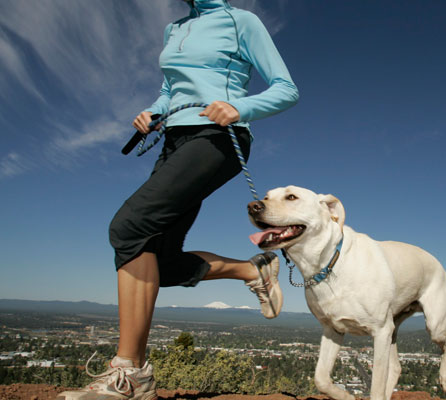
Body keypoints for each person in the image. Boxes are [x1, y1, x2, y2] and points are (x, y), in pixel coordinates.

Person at [57, 1, 298, 399]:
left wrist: (241, 106)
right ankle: (252, 271)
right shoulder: (174, 28)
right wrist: (154, 111)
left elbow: (286, 89)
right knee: (159, 263)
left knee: (130, 226)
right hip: (174, 139)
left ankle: (131, 373)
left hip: (219, 139)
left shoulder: (241, 20)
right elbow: (171, 89)